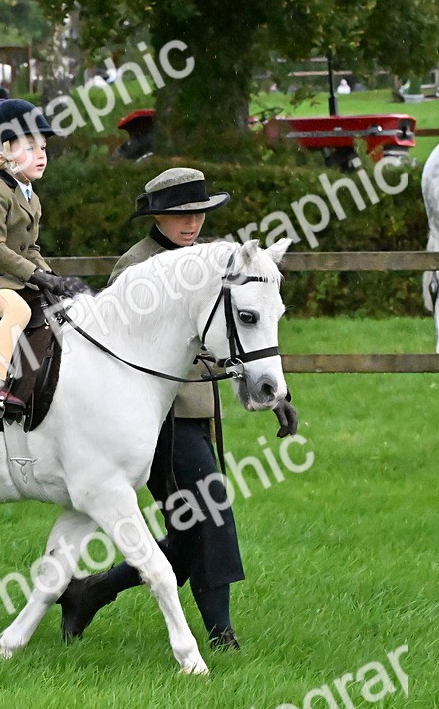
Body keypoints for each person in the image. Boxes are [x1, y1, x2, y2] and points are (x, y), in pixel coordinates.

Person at [56, 168, 300, 650]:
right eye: (179, 214)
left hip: (195, 410)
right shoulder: (137, 266)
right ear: (156, 217)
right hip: (153, 420)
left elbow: (240, 337)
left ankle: (91, 591)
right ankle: (219, 633)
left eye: (198, 213)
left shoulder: (214, 262)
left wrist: (278, 397)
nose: (191, 224)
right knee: (210, 513)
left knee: (189, 530)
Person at [0, 99, 80, 412]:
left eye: (44, 148)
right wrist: (34, 276)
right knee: (18, 311)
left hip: (7, 277)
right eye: (30, 147)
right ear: (2, 155)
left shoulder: (30, 196)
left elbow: (30, 249)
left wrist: (51, 277)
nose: (41, 156)